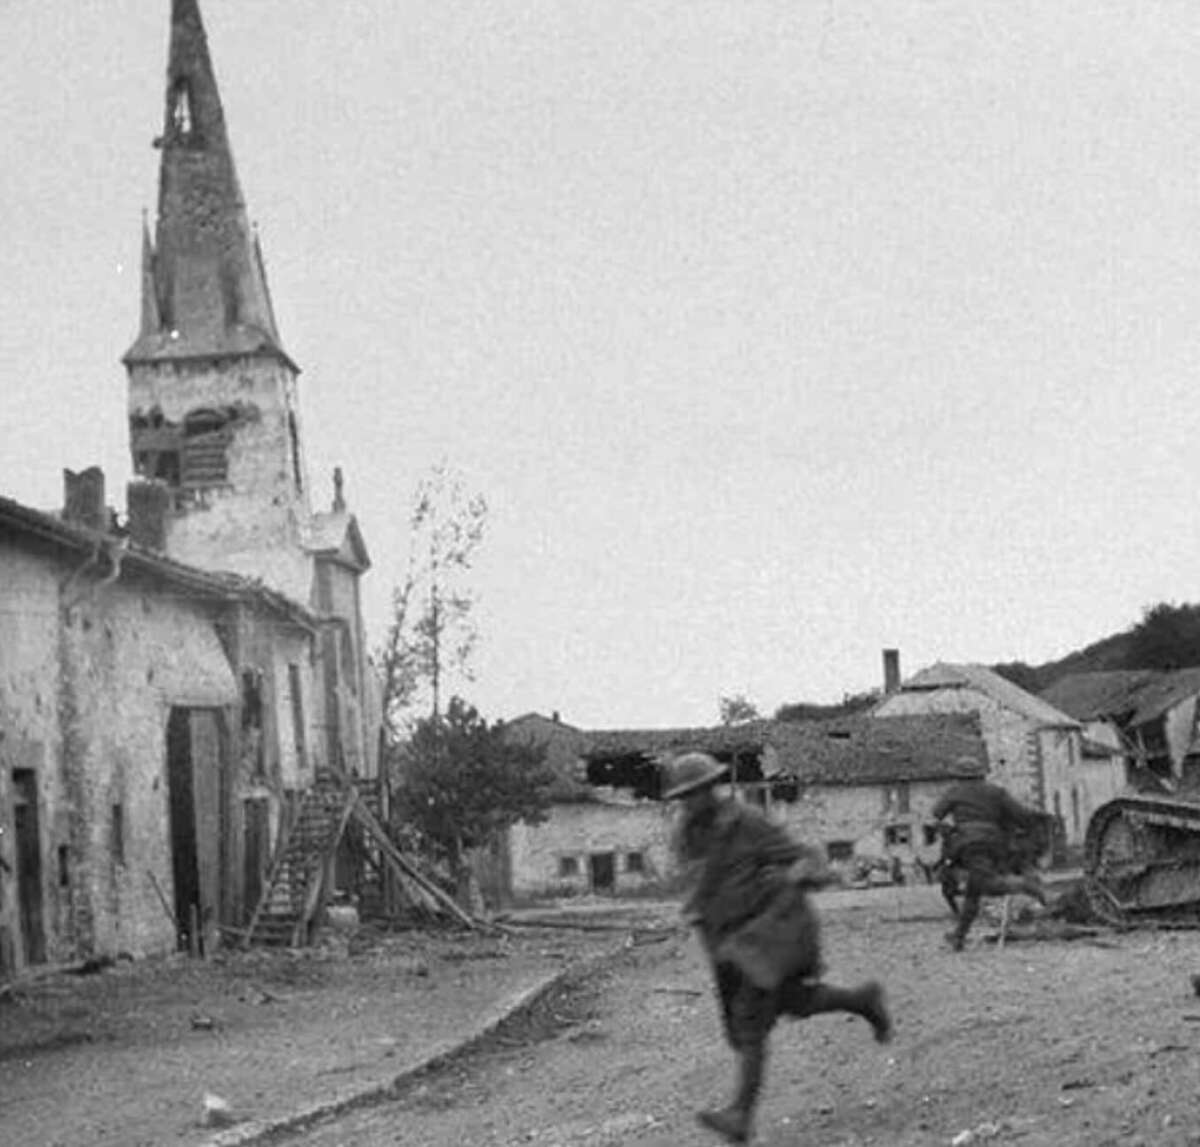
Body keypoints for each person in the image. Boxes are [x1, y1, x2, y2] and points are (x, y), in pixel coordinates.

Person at [667, 751, 892, 1145]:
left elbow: (803, 856)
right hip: (727, 941)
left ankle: (741, 1115)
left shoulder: (746, 822)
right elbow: (697, 898)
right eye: (685, 795)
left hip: (767, 931)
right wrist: (712, 949)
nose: (691, 801)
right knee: (790, 1001)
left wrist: (806, 874)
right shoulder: (685, 837)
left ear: (712, 788)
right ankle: (861, 1000)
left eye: (698, 791)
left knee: (751, 1020)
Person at [931, 778, 1051, 951]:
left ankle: (1024, 885)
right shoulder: (996, 792)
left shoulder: (955, 791)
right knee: (974, 889)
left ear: (959, 775)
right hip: (996, 844)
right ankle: (959, 937)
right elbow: (1022, 816)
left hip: (969, 845)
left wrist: (946, 829)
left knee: (983, 884)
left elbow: (936, 814)